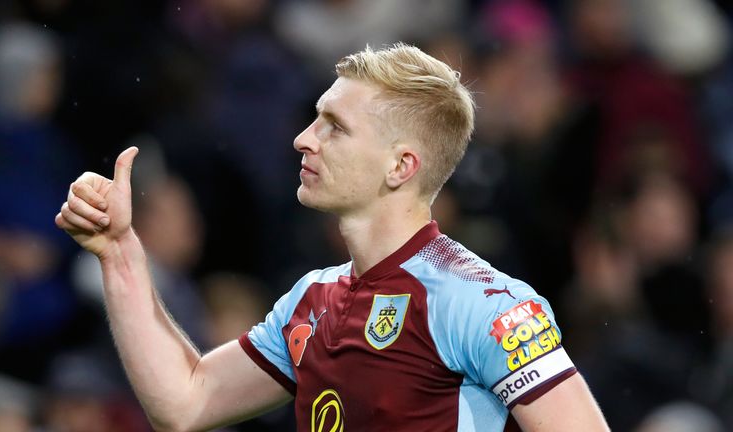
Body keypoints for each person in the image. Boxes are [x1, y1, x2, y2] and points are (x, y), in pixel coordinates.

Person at [55, 43, 609, 431]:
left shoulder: (485, 304)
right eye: (314, 119)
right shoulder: (310, 301)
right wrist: (121, 253)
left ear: (400, 166)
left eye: (334, 127)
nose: (302, 139)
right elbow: (185, 403)